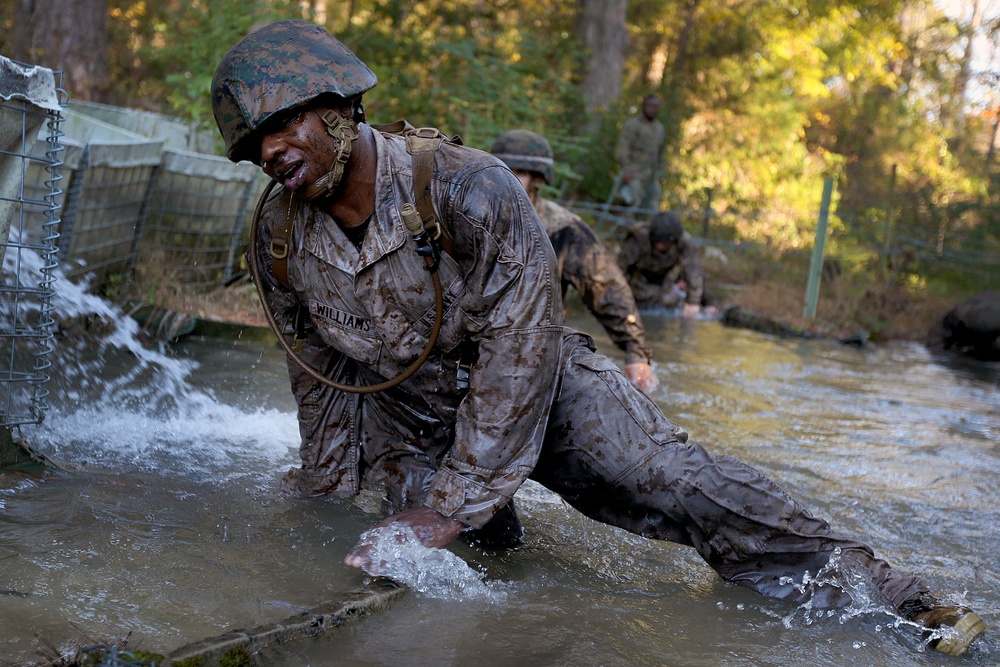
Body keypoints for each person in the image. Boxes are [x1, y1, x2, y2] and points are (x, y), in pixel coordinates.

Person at [211, 20, 985, 656]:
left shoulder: (466, 186)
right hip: (411, 420)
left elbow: (521, 348)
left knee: (669, 479)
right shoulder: (277, 236)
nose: (272, 151)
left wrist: (449, 504)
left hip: (542, 387)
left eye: (284, 123)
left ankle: (899, 601)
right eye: (255, 145)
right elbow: (317, 369)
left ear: (340, 104)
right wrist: (322, 484)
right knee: (439, 577)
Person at [490, 129, 656, 393]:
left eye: (519, 173)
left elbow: (607, 289)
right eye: (503, 170)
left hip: (532, 357)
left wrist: (636, 353)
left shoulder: (563, 230)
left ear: (537, 180)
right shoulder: (469, 218)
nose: (508, 180)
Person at [619, 211, 719, 318]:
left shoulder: (684, 242)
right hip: (639, 279)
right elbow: (620, 270)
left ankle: (712, 307)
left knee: (695, 284)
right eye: (658, 242)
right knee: (665, 298)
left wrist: (693, 302)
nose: (660, 247)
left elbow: (693, 270)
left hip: (664, 278)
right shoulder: (638, 239)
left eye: (665, 244)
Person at [613, 94, 666, 211]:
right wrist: (626, 171)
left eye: (655, 106)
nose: (652, 109)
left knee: (652, 205)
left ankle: (647, 227)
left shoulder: (659, 129)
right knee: (633, 203)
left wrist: (660, 173)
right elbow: (622, 149)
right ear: (644, 106)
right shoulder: (632, 125)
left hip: (651, 176)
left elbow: (661, 154)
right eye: (649, 105)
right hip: (634, 173)